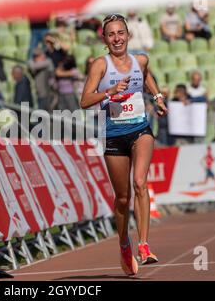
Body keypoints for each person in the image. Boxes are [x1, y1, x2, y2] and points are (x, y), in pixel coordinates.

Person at [80, 14, 167, 276]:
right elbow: (84, 101)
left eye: (121, 33)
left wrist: (158, 96)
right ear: (105, 40)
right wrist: (110, 91)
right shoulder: (100, 65)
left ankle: (144, 244)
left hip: (141, 130)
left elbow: (147, 76)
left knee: (140, 183)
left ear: (128, 36)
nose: (117, 38)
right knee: (122, 198)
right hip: (114, 136)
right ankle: (124, 244)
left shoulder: (140, 60)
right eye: (111, 34)